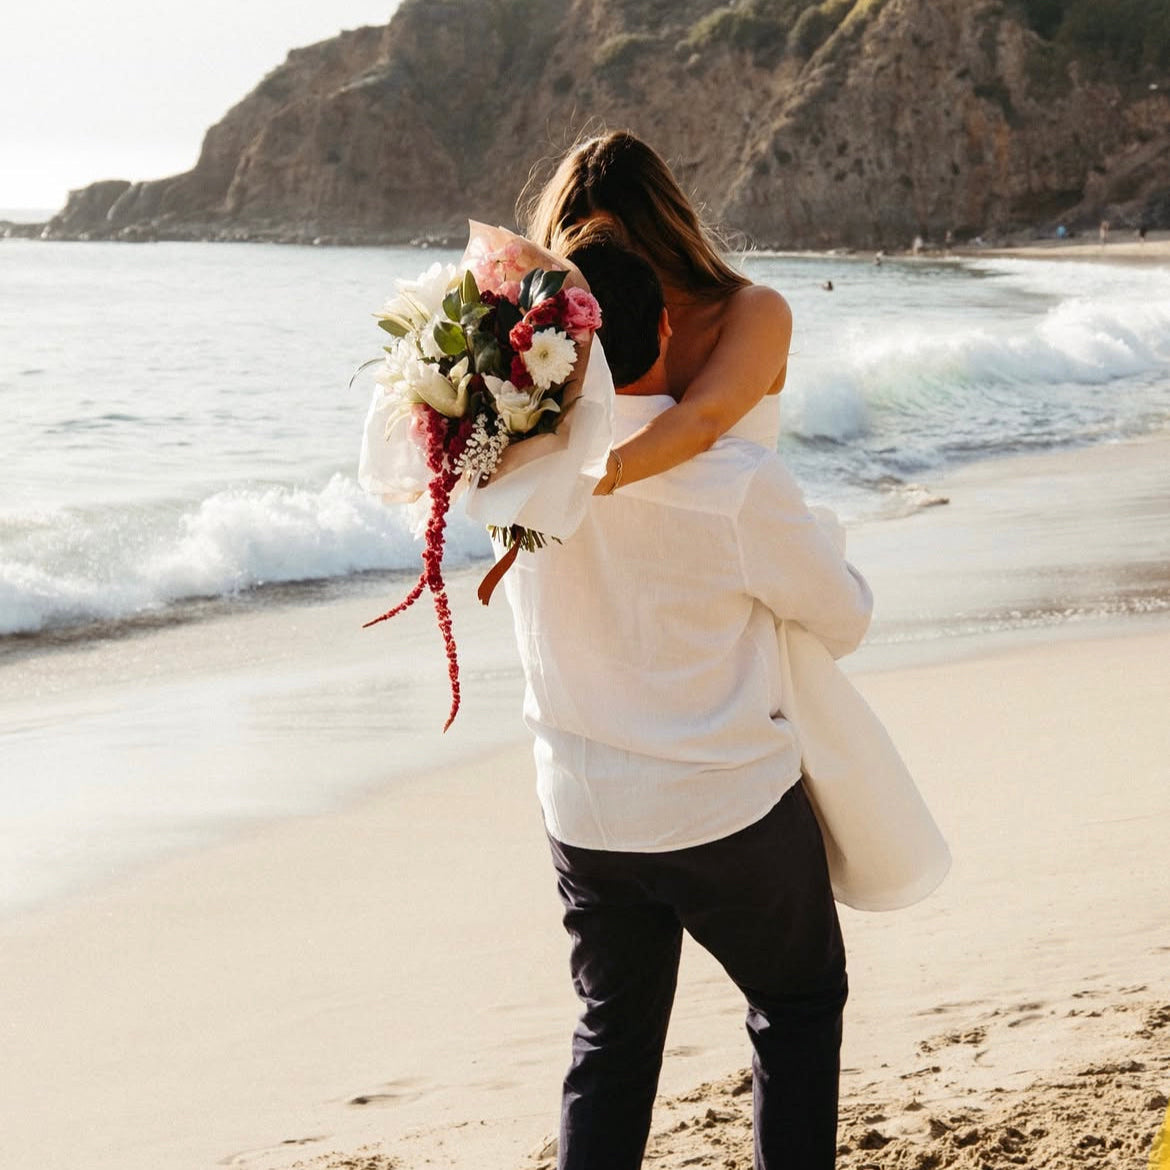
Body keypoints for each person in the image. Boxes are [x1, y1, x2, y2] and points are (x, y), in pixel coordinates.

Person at [501, 240, 873, 1169]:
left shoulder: (510, 477)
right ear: (669, 325)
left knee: (612, 1041)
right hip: (725, 807)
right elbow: (846, 616)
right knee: (796, 1008)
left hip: (585, 810)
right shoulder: (734, 481)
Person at [521, 131, 792, 494]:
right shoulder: (566, 332)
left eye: (611, 241)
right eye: (579, 248)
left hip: (737, 543)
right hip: (611, 550)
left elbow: (702, 419)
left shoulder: (754, 312)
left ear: (661, 232)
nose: (598, 260)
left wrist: (595, 479)